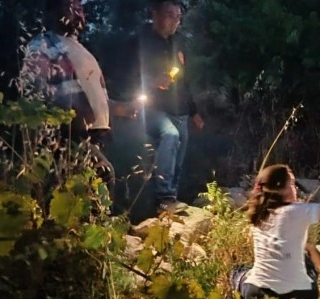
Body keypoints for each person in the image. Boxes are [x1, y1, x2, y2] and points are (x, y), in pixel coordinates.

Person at [21, 0, 134, 194]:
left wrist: (119, 108)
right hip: (67, 134)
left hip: (95, 135)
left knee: (90, 191)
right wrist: (70, 114)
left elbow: (95, 96)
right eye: (70, 5)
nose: (77, 11)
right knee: (102, 177)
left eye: (79, 7)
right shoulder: (41, 46)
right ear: (53, 11)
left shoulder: (82, 50)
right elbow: (36, 92)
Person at [229, 165, 320, 299]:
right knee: (305, 259)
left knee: (237, 271)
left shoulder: (258, 214)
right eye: (291, 183)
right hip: (302, 294)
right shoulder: (297, 211)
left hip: (258, 294)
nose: (295, 188)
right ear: (280, 188)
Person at [133, 0, 204, 213]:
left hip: (180, 109)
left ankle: (169, 200)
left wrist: (194, 111)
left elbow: (184, 80)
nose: (174, 21)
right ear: (155, 14)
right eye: (169, 15)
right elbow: (128, 76)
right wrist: (152, 81)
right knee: (170, 136)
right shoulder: (141, 42)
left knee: (177, 158)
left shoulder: (178, 43)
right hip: (155, 108)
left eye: (178, 17)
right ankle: (163, 197)